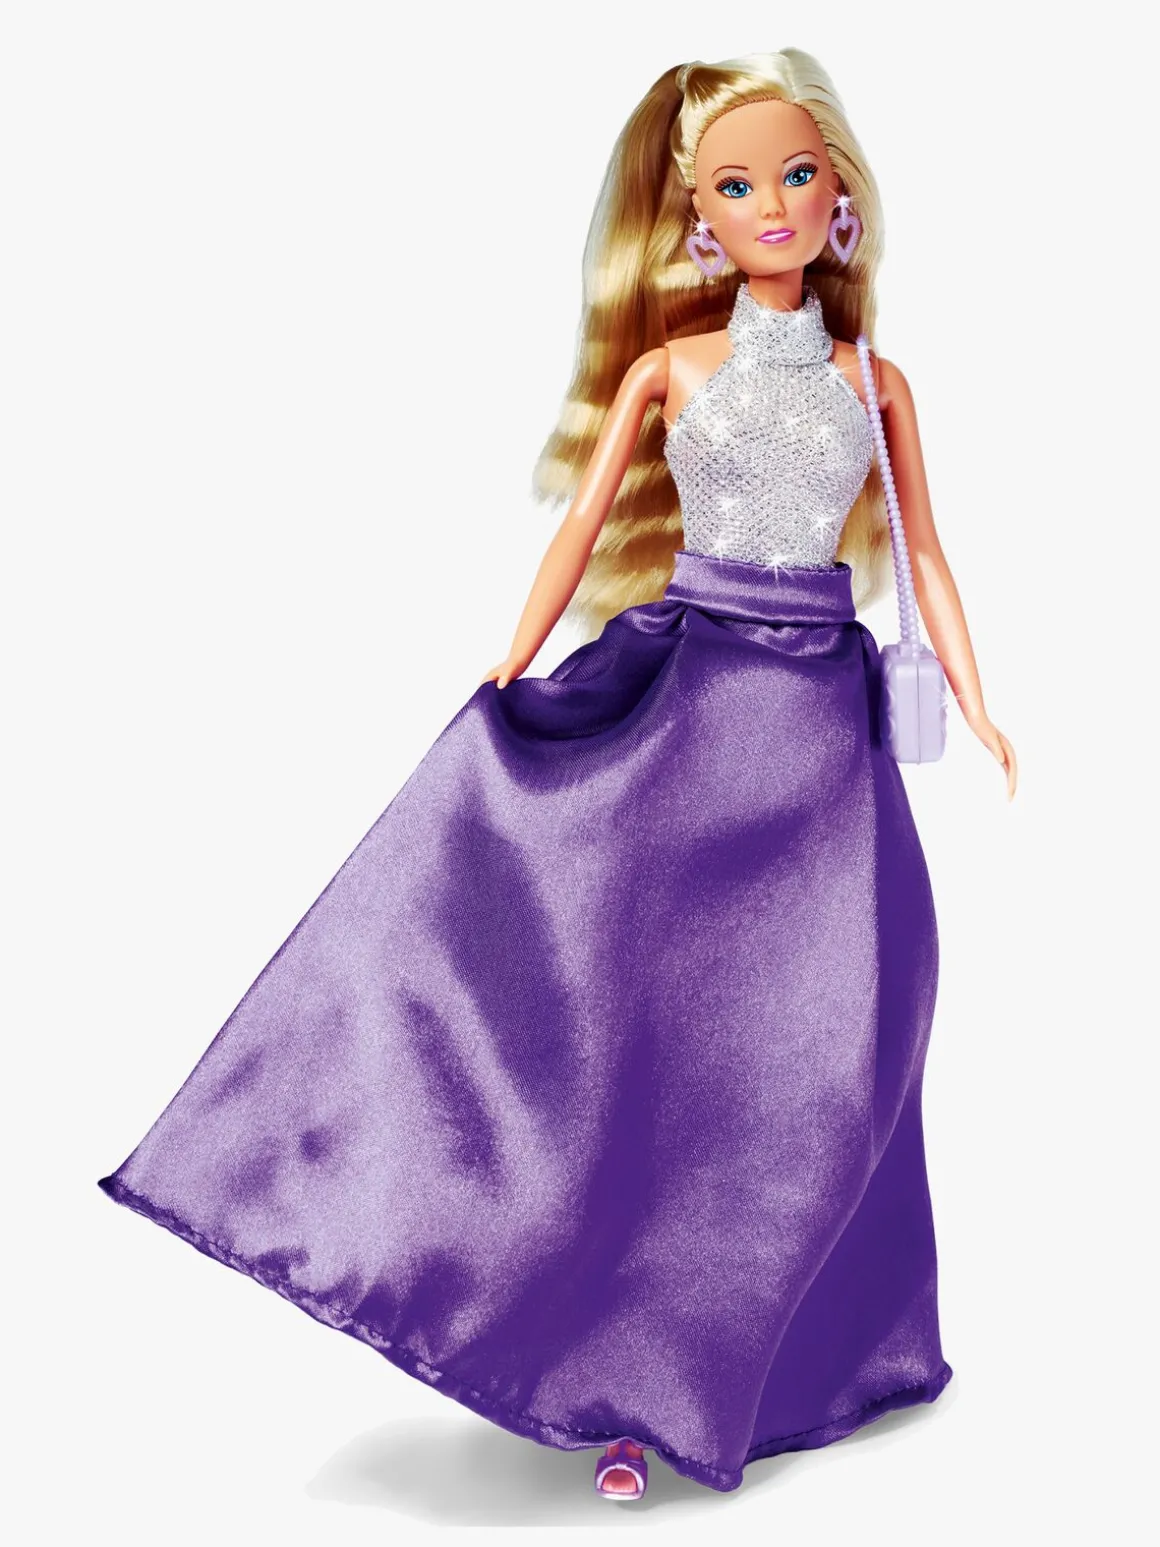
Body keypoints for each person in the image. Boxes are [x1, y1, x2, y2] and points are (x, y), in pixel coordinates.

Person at [98, 47, 1017, 1502]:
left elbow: (930, 554)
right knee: (638, 1049)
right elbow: (579, 532)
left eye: (797, 174)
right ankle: (623, 1388)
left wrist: (974, 695)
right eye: (738, 186)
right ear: (698, 220)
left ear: (838, 193)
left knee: (837, 1058)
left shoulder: (874, 381)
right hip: (693, 718)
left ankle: (798, 1359)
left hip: (825, 756)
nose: (774, 203)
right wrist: (510, 662)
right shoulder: (673, 369)